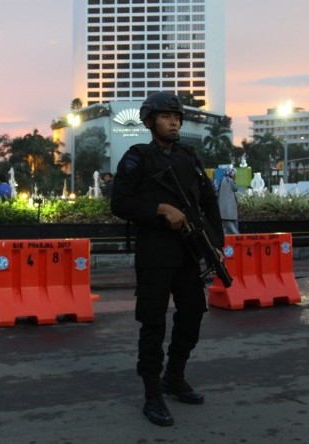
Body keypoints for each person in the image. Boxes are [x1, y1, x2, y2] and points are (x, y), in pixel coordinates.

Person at [110, 91, 224, 427]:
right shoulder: (136, 158)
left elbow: (209, 202)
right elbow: (120, 204)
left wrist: (216, 243)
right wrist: (160, 209)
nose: (174, 121)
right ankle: (152, 394)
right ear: (149, 122)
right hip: (155, 253)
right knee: (153, 323)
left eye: (177, 117)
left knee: (193, 314)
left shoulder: (188, 156)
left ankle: (174, 377)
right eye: (166, 116)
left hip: (189, 252)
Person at [217, 167, 239, 235]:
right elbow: (235, 189)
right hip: (229, 212)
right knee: (233, 229)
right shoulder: (230, 181)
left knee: (224, 229)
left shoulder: (222, 180)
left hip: (222, 211)